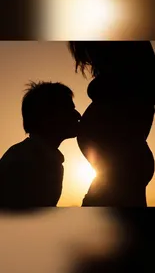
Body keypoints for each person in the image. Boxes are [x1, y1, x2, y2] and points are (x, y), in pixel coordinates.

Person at [68, 41, 155, 207]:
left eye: (92, 52)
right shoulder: (129, 79)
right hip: (117, 169)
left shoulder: (135, 78)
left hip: (123, 167)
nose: (91, 60)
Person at [0, 81, 81, 211]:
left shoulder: (34, 155)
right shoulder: (28, 161)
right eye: (68, 110)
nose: (78, 115)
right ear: (46, 117)